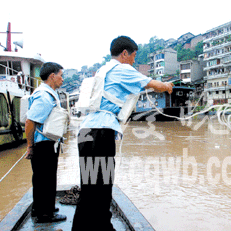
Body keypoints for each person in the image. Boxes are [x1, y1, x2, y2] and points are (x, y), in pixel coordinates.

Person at [72, 36, 174, 231]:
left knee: (90, 186)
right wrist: (167, 86)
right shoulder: (122, 69)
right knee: (102, 187)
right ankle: (103, 227)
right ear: (125, 53)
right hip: (100, 133)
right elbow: (154, 84)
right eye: (134, 56)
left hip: (86, 131)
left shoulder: (103, 70)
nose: (134, 61)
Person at [25, 62, 67, 223]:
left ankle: (41, 208)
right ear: (52, 76)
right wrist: (30, 146)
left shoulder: (47, 93)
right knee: (46, 179)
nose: (62, 79)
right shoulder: (44, 96)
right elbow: (30, 122)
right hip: (43, 145)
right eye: (61, 75)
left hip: (45, 143)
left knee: (41, 178)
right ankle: (45, 214)